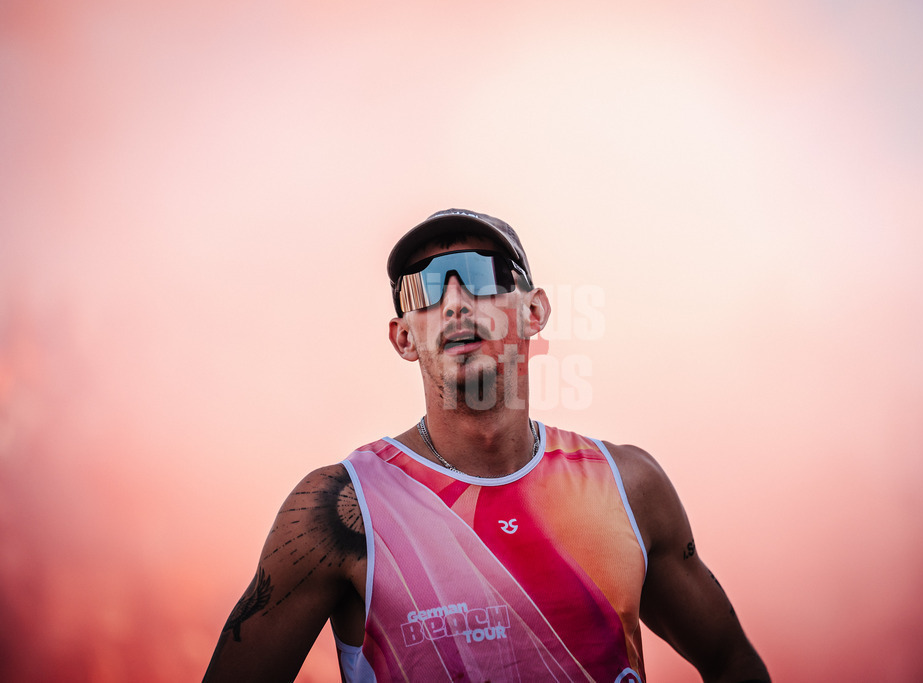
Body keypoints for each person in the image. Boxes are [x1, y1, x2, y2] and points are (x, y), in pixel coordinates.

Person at [203, 209, 770, 683]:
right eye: (424, 286)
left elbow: (731, 659)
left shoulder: (628, 485)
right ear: (404, 336)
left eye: (478, 273)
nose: (453, 302)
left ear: (534, 311)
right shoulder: (342, 512)